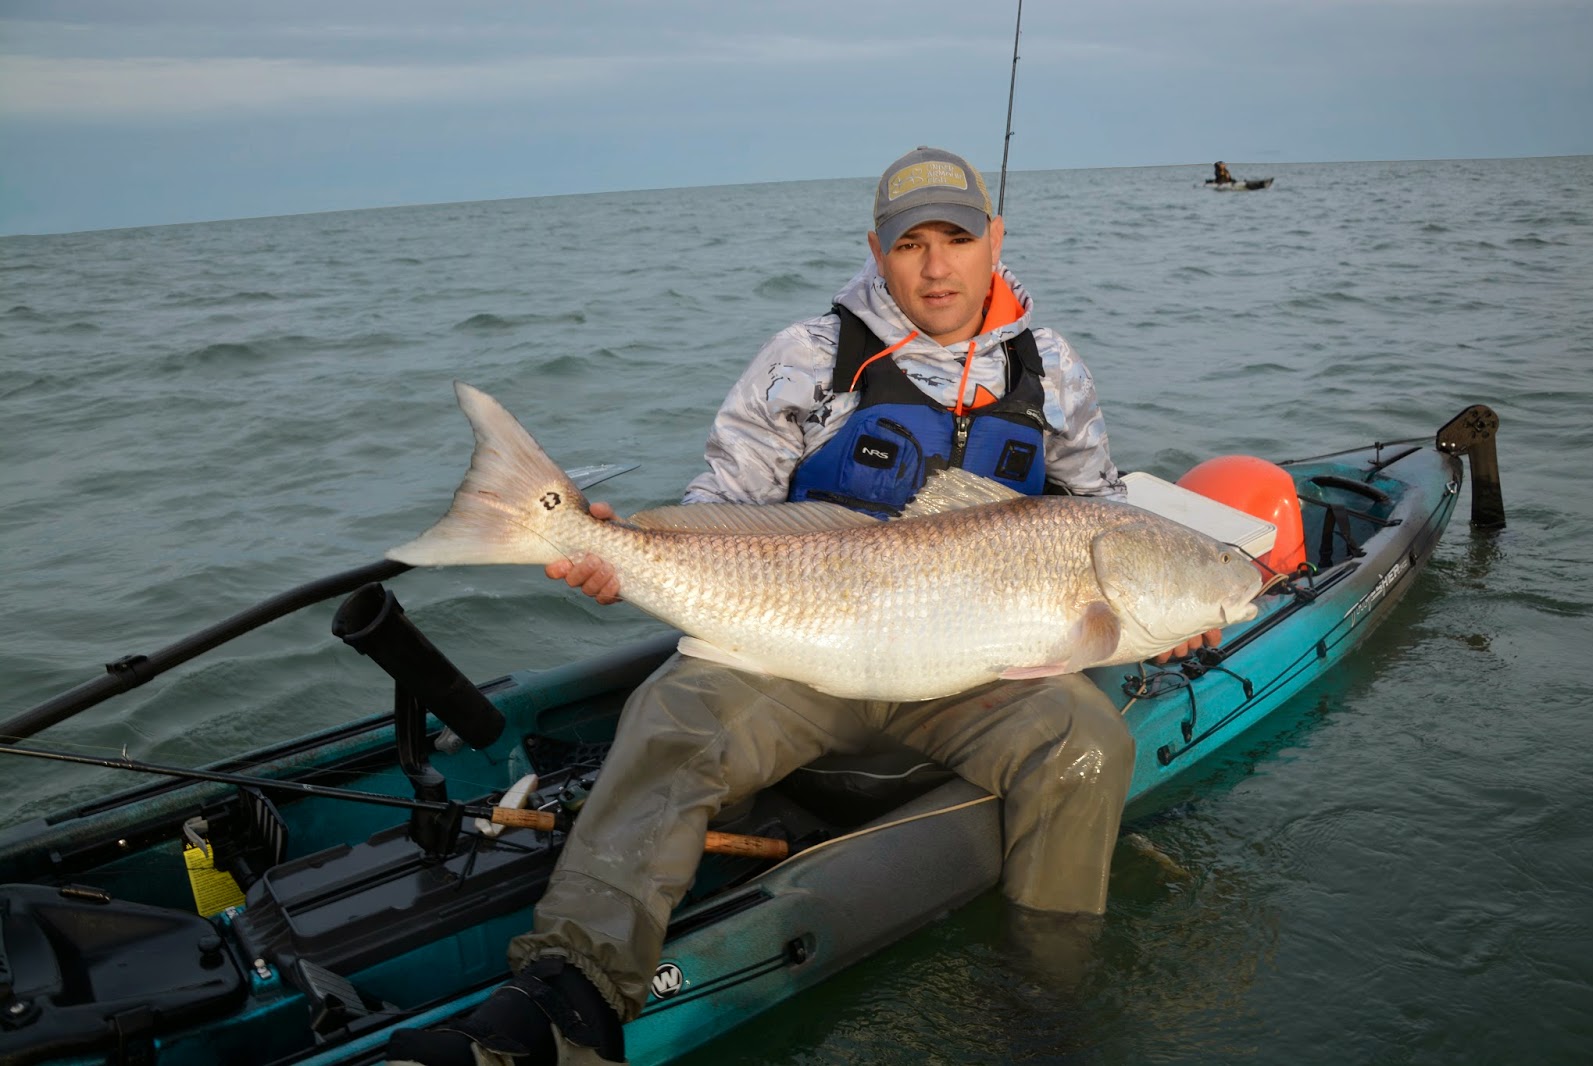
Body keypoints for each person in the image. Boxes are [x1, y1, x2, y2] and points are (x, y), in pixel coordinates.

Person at [387, 145, 1206, 1066]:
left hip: (977, 671)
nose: (936, 266)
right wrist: (616, 548)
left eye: (957, 239)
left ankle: (1045, 997)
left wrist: (1168, 613)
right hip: (802, 647)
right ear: (877, 248)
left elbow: (1101, 516)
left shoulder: (1052, 368)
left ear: (995, 240)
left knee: (1089, 743)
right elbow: (720, 507)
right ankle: (567, 996)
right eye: (911, 245)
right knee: (673, 719)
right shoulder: (807, 356)